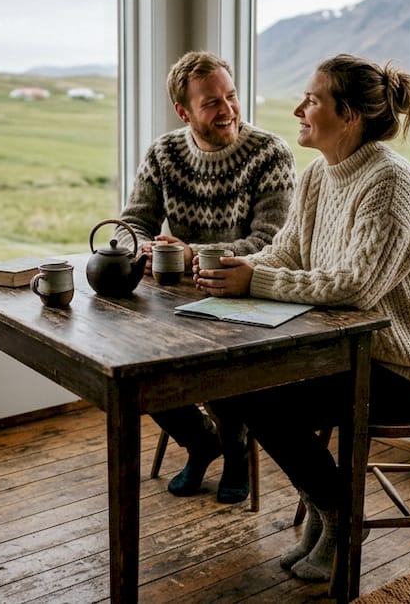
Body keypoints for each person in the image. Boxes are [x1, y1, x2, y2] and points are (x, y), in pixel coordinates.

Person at [196, 54, 410, 581]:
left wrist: (256, 282)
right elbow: (290, 250)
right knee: (239, 385)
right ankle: (328, 509)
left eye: (312, 100)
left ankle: (340, 515)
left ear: (349, 115)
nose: (298, 108)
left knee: (260, 395)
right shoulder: (321, 173)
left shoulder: (390, 184)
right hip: (354, 354)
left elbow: (357, 286)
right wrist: (242, 267)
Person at [116, 49, 295, 504]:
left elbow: (271, 244)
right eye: (211, 102)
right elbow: (133, 222)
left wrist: (195, 252)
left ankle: (236, 449)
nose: (228, 110)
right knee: (131, 362)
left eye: (231, 96)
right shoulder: (164, 152)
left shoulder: (270, 153)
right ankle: (201, 440)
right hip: (179, 296)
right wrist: (142, 247)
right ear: (184, 111)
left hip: (247, 293)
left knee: (222, 359)